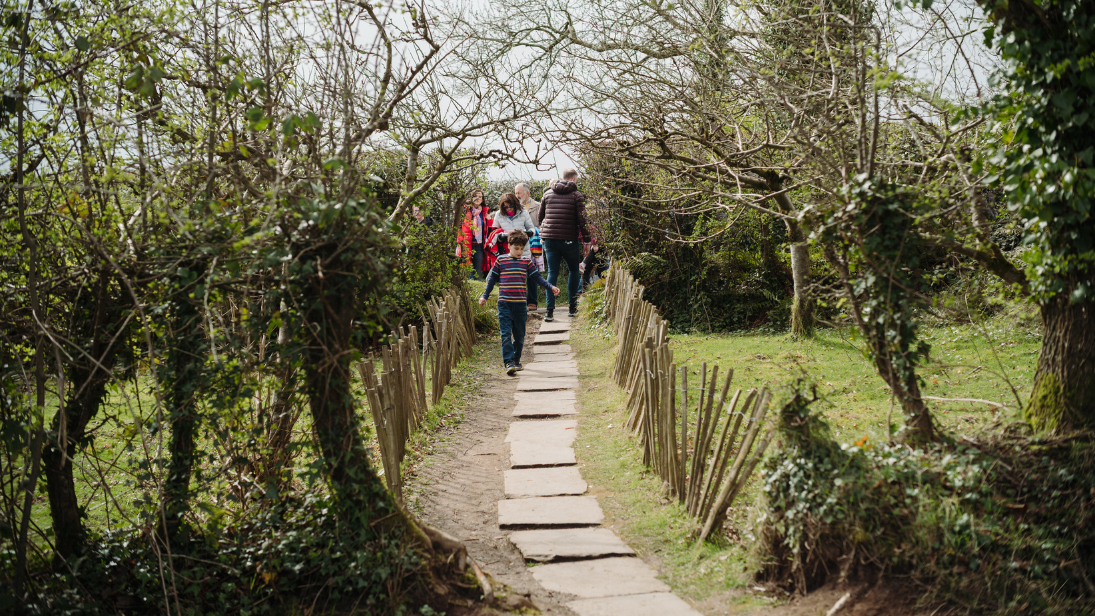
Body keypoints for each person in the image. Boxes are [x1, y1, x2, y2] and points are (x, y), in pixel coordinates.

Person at [479, 229, 560, 375]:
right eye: (516, 248)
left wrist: (550, 287)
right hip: (504, 304)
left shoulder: (526, 262)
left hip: (521, 305)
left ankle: (516, 359)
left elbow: (537, 278)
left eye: (522, 249)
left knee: (520, 335)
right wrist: (485, 296)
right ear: (509, 245)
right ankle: (508, 362)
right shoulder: (501, 261)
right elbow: (491, 281)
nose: (519, 251)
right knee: (505, 334)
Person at [537, 168, 593, 321]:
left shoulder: (547, 194)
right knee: (574, 270)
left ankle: (549, 311)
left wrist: (546, 233)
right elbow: (583, 221)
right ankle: (572, 307)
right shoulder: (576, 195)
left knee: (552, 273)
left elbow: (540, 217)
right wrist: (586, 242)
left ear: (563, 178)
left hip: (549, 239)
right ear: (573, 179)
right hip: (569, 239)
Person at [457, 189, 491, 280]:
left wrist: (489, 219)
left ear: (483, 200)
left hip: (479, 246)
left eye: (480, 197)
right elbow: (458, 226)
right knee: (467, 273)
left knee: (477, 273)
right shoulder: (465, 210)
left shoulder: (484, 213)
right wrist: (459, 241)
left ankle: (478, 294)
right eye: (476, 196)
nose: (478, 198)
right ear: (471, 198)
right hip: (467, 245)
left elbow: (489, 230)